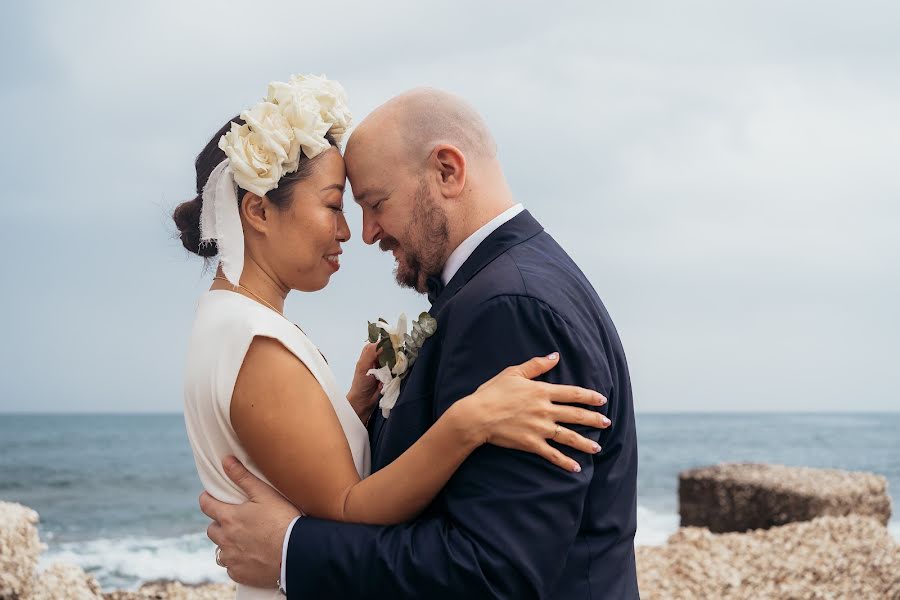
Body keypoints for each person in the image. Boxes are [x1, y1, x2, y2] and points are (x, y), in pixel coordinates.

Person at [174, 75, 611, 600]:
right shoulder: (252, 335)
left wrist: (348, 419)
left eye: (371, 203)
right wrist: (463, 424)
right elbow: (348, 504)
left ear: (448, 171)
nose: (359, 232)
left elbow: (496, 570)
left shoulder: (510, 306)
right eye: (338, 205)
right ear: (259, 211)